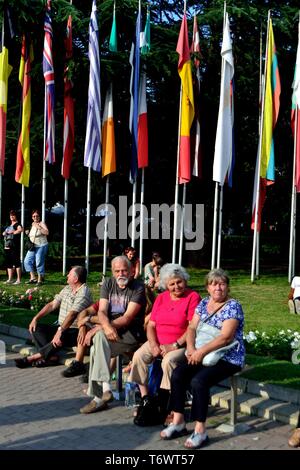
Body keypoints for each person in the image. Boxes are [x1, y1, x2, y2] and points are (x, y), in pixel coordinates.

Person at [160, 268, 245, 449]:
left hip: (228, 357)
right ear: (207, 288)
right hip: (203, 353)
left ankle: (200, 431)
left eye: (222, 284)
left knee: (199, 381)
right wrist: (191, 349)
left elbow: (226, 337)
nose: (218, 288)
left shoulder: (233, 306)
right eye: (214, 284)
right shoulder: (204, 303)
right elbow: (191, 328)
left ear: (227, 287)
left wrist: (200, 352)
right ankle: (178, 421)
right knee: (178, 374)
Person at [129, 263, 200, 425]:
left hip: (182, 344)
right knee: (138, 355)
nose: (176, 286)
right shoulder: (161, 298)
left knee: (169, 361)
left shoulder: (192, 297)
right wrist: (153, 345)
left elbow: (192, 327)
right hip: (158, 341)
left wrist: (174, 345)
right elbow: (151, 325)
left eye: (179, 282)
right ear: (166, 286)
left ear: (185, 280)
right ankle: (146, 399)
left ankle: (168, 405)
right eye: (172, 284)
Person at [79, 255, 146, 414]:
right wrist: (106, 327)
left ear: (131, 272)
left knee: (97, 345)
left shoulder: (138, 287)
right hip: (111, 331)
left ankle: (100, 395)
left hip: (130, 333)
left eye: (124, 270)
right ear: (113, 272)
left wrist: (103, 327)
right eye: (117, 271)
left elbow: (127, 318)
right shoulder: (108, 283)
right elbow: (102, 310)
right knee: (98, 341)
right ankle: (104, 391)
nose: (121, 274)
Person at [14, 266, 93, 368]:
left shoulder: (84, 293)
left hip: (76, 330)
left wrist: (59, 332)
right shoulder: (68, 288)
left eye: (69, 274)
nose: (67, 275)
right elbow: (52, 305)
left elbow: (72, 314)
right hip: (62, 327)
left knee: (62, 335)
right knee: (37, 328)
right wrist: (36, 318)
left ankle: (32, 358)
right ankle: (51, 357)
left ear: (76, 279)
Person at [24, 209, 49, 286]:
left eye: (37, 216)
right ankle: (33, 278)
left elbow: (47, 232)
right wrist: (27, 233)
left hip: (41, 245)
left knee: (39, 262)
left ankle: (40, 280)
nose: (35, 217)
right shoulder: (32, 224)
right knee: (27, 261)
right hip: (33, 246)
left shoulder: (41, 223)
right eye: (34, 216)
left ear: (39, 216)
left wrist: (38, 227)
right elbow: (32, 235)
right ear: (32, 217)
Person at [2, 210, 23, 285]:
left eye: (13, 215)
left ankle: (18, 280)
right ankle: (10, 279)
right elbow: (4, 233)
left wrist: (13, 232)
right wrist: (4, 233)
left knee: (16, 262)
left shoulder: (17, 224)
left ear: (16, 216)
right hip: (7, 246)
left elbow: (21, 230)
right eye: (11, 215)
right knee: (9, 263)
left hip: (14, 246)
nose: (12, 216)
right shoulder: (9, 226)